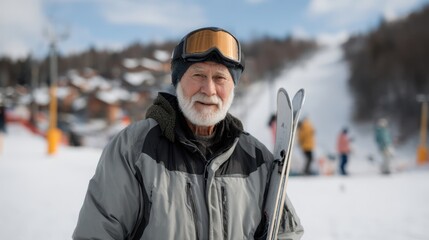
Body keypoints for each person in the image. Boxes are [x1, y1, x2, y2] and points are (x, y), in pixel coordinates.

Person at [73, 27, 304, 240]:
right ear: (177, 81)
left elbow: (286, 233)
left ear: (233, 87)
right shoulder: (134, 149)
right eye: (198, 75)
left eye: (220, 78)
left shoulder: (257, 159)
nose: (209, 89)